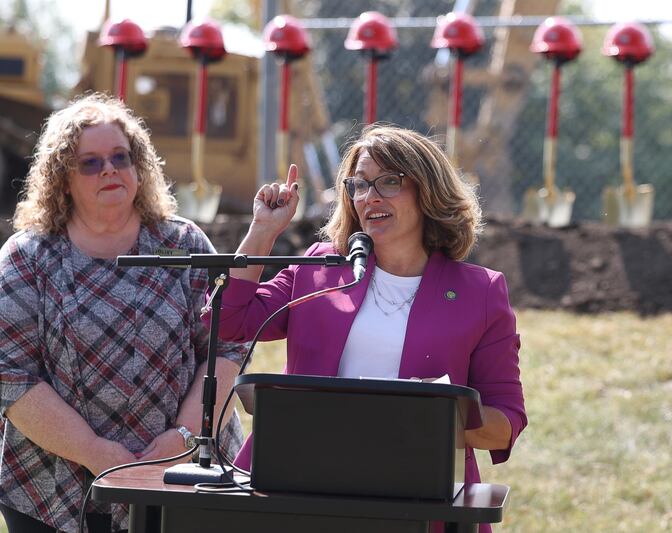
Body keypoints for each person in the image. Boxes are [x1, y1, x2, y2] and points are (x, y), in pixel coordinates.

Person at [213, 124, 527, 532]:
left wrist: (441, 414)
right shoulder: (320, 267)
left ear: (428, 191)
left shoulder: (480, 292)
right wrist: (263, 231)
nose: (370, 196)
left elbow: (505, 424)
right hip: (302, 488)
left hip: (418, 497)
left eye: (389, 182)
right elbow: (230, 321)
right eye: (359, 185)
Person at [0, 93, 247, 533]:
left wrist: (184, 440)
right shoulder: (27, 257)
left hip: (185, 478)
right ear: (63, 179)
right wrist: (95, 452)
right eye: (90, 163)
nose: (109, 169)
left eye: (120, 156)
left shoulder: (185, 244)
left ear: (140, 166)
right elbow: (11, 375)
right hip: (53, 487)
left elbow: (229, 346)